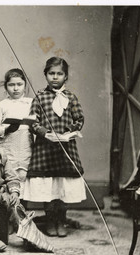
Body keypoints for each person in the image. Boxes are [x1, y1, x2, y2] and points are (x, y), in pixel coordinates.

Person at [24, 57, 85, 237]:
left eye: (59, 74)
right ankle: (50, 220)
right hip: (45, 149)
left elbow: (79, 119)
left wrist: (68, 131)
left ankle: (61, 220)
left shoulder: (71, 98)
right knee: (48, 188)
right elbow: (32, 121)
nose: (55, 77)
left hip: (65, 149)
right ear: (46, 75)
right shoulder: (40, 97)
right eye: (51, 73)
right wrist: (44, 132)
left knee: (63, 187)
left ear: (66, 76)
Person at [0, 68, 33, 195]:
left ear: (25, 85)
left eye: (19, 84)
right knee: (10, 175)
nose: (16, 88)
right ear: (5, 86)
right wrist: (6, 129)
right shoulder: (2, 105)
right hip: (8, 146)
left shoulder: (31, 103)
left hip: (26, 145)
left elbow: (38, 121)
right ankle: (9, 212)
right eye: (11, 85)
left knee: (23, 176)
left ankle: (22, 212)